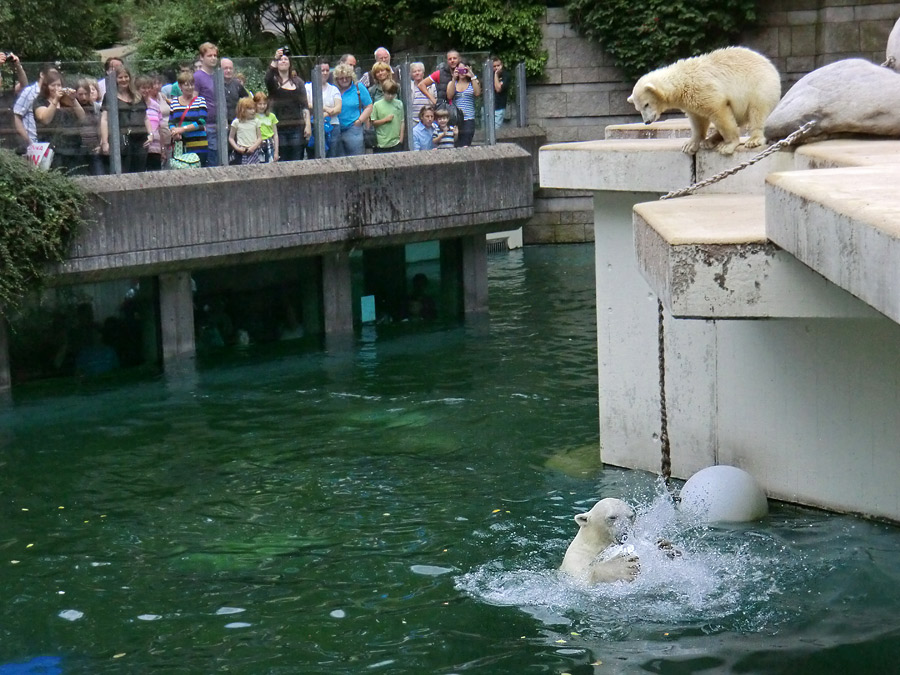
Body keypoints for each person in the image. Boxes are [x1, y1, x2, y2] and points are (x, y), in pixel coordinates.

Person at [100, 65, 152, 173]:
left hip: (140, 140)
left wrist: (151, 135)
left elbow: (145, 117)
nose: (124, 80)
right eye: (120, 77)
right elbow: (104, 120)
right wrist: (105, 142)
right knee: (123, 171)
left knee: (140, 171)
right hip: (121, 140)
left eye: (126, 76)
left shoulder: (138, 96)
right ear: (115, 79)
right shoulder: (110, 96)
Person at [32, 72, 85, 172]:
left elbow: (82, 117)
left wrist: (74, 100)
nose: (56, 88)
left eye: (59, 85)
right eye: (53, 85)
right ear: (46, 86)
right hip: (53, 149)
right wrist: (55, 100)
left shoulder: (66, 101)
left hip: (72, 147)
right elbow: (45, 119)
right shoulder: (40, 101)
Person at [264, 48, 311, 162]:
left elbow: (304, 105)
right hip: (279, 127)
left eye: (286, 59)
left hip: (296, 126)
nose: (283, 61)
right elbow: (267, 77)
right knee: (282, 159)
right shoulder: (273, 82)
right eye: (281, 59)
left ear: (290, 63)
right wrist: (275, 58)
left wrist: (308, 124)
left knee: (296, 159)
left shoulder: (298, 82)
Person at [168, 72, 209, 167]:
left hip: (199, 144)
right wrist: (175, 132)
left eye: (192, 84)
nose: (190, 87)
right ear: (180, 86)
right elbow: (171, 122)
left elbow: (201, 122)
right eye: (186, 85)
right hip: (181, 145)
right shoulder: (174, 102)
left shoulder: (200, 101)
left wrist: (183, 129)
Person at [13, 63, 58, 146]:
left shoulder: (50, 94)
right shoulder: (30, 91)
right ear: (42, 74)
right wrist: (28, 141)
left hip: (46, 141)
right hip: (31, 142)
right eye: (51, 75)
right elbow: (16, 116)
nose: (53, 78)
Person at [332, 63, 372, 157]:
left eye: (347, 77)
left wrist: (359, 120)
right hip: (335, 129)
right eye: (341, 78)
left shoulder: (359, 87)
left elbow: (369, 106)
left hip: (353, 128)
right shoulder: (333, 90)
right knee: (338, 159)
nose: (345, 80)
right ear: (337, 79)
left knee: (356, 158)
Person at [304, 60, 342, 158]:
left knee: (332, 156)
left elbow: (338, 108)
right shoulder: (308, 87)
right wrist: (325, 108)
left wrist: (325, 114)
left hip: (332, 126)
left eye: (327, 70)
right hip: (314, 126)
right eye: (322, 70)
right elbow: (308, 104)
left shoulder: (334, 89)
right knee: (313, 156)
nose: (325, 73)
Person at [194, 42, 221, 166]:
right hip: (207, 125)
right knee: (212, 158)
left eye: (215, 55)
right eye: (209, 55)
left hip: (220, 123)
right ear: (202, 57)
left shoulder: (218, 75)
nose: (213, 58)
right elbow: (194, 100)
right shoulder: (198, 77)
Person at [137, 74, 170, 171]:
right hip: (140, 146)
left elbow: (160, 128)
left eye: (148, 88)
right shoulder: (134, 104)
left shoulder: (155, 105)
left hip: (155, 148)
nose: (146, 91)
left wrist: (162, 149)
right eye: (143, 88)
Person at [221, 57, 249, 163]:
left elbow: (247, 100)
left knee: (238, 156)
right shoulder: (214, 84)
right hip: (220, 126)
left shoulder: (237, 85)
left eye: (230, 68)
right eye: (225, 68)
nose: (228, 71)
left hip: (236, 125)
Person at [446, 61, 480, 147]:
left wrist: (472, 76)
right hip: (456, 119)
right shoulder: (452, 83)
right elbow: (449, 96)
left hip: (469, 118)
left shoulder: (473, 82)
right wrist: (454, 78)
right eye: (459, 69)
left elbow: (477, 93)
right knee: (455, 144)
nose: (462, 72)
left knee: (466, 144)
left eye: (463, 70)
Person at [75, 78, 104, 174]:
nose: (83, 97)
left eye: (86, 94)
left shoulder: (96, 107)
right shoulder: (73, 107)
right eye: (80, 94)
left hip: (94, 148)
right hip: (79, 149)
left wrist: (101, 144)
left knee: (99, 174)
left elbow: (101, 126)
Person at [370, 80, 404, 153]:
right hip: (381, 143)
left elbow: (402, 121)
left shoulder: (399, 104)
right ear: (383, 92)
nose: (390, 96)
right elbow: (373, 123)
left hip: (396, 142)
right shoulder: (377, 105)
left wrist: (401, 140)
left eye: (393, 94)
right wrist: (385, 120)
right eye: (388, 93)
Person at [229, 96, 262, 164]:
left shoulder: (256, 121)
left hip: (253, 150)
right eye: (250, 109)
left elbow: (259, 138)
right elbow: (231, 138)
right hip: (240, 151)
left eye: (254, 108)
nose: (253, 111)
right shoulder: (236, 122)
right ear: (242, 110)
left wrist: (253, 147)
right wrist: (237, 148)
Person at [254, 91, 278, 162]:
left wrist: (276, 152)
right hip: (257, 143)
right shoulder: (253, 117)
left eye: (264, 104)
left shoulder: (271, 116)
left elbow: (275, 134)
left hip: (269, 143)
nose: (262, 106)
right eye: (260, 104)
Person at [491, 56, 511, 128]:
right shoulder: (488, 75)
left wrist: (496, 75)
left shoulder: (506, 75)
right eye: (494, 66)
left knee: (496, 130)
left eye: (498, 65)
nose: (496, 68)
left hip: (499, 107)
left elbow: (498, 89)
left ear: (502, 65)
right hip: (488, 108)